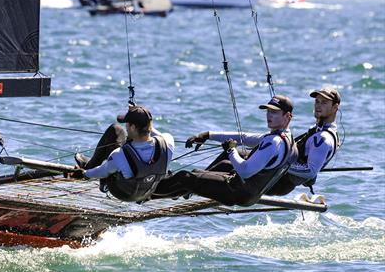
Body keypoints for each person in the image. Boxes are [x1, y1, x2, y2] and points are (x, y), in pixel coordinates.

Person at [154, 94, 297, 206]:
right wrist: (208, 135)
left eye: (275, 112)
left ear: (287, 116)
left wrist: (231, 150)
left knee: (185, 178)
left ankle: (148, 193)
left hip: (237, 192)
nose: (269, 115)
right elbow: (245, 138)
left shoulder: (273, 142)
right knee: (200, 173)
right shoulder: (286, 139)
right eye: (268, 111)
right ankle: (177, 191)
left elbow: (245, 171)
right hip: (248, 193)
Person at [72, 105, 174, 202]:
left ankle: (96, 175)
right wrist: (142, 119)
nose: (126, 126)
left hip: (124, 193)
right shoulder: (168, 143)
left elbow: (102, 171)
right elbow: (158, 135)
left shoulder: (119, 155)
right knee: (124, 145)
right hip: (148, 191)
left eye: (127, 123)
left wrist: (84, 174)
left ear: (133, 127)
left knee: (115, 129)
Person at [267, 87, 341, 196]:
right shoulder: (319, 129)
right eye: (317, 101)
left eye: (324, 103)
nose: (318, 105)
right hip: (275, 176)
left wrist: (280, 163)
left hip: (276, 182)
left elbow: (310, 171)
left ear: (335, 108)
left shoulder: (323, 138)